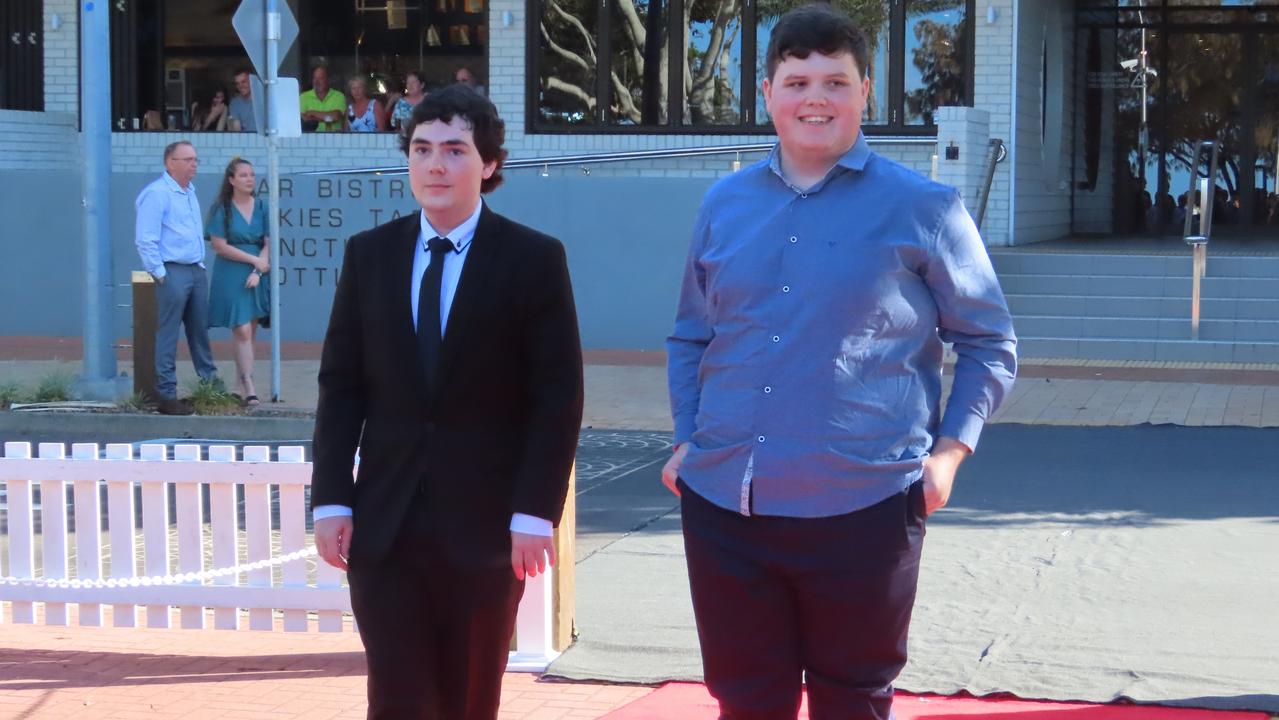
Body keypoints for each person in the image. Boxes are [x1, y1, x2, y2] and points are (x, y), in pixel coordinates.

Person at [662, 5, 1017, 719]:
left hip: (865, 505)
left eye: (834, 81)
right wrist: (686, 437)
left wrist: (948, 454)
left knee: (852, 703)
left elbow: (988, 342)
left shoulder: (925, 208)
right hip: (729, 503)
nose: (814, 98)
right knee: (745, 702)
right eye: (796, 81)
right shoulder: (723, 202)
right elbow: (691, 335)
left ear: (864, 94)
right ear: (767, 95)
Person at [310, 85, 584, 719]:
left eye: (456, 150)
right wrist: (330, 497)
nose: (436, 165)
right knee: (397, 699)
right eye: (423, 148)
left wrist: (534, 513)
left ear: (488, 164)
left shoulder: (534, 259)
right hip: (385, 527)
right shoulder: (369, 256)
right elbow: (341, 384)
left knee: (466, 699)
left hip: (488, 529)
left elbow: (557, 396)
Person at [134, 141, 222, 416]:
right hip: (172, 271)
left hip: (195, 269)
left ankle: (210, 387)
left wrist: (200, 267)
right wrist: (161, 275)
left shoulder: (189, 192)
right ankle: (166, 394)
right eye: (187, 159)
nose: (194, 164)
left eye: (195, 159)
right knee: (168, 333)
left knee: (199, 331)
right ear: (170, 162)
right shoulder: (157, 194)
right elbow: (145, 240)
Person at [206, 157, 271, 407]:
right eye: (243, 175)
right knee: (241, 329)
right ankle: (249, 384)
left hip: (257, 274)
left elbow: (268, 242)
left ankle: (239, 383)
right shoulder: (222, 208)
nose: (249, 179)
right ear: (231, 180)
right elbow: (219, 246)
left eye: (252, 175)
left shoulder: (262, 206)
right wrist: (253, 260)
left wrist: (260, 268)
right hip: (232, 272)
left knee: (249, 332)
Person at [300, 65, 346, 132]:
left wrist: (312, 112)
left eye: (321, 78)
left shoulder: (339, 96)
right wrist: (326, 117)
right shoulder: (303, 97)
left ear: (328, 80)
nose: (316, 82)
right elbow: (302, 119)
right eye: (314, 78)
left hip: (334, 139)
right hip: (311, 139)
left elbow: (335, 116)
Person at [228, 68, 257, 133]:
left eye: (243, 82)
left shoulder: (264, 101)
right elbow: (235, 130)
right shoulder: (234, 103)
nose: (240, 86)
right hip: (243, 140)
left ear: (251, 81)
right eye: (237, 83)